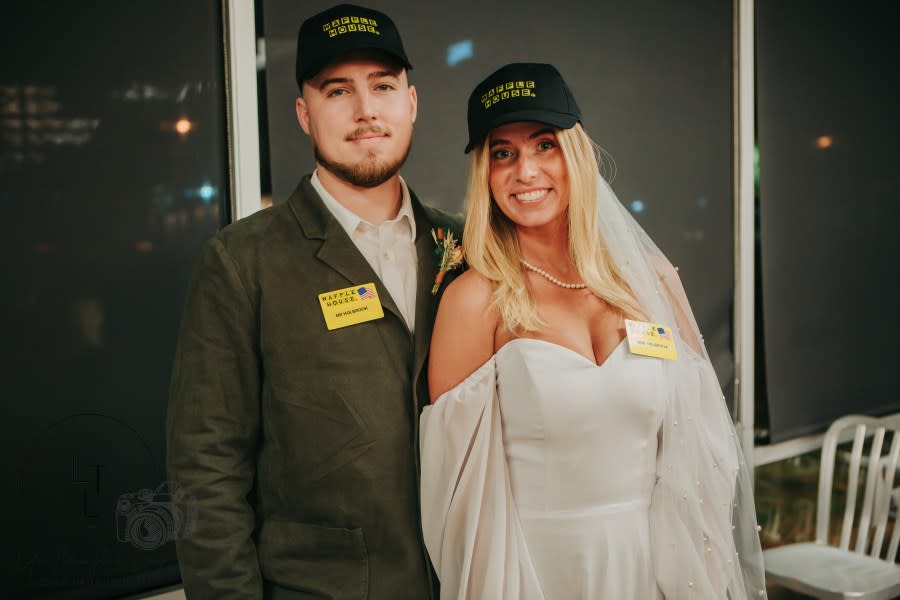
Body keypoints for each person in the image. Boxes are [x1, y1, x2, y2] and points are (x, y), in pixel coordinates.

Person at [420, 63, 767, 599]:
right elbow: (459, 498)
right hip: (538, 571)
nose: (525, 171)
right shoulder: (475, 300)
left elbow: (702, 449)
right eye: (503, 152)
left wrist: (698, 573)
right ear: (484, 173)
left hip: (655, 565)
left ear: (575, 153)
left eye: (544, 145)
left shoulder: (650, 281)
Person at [166, 4, 463, 598]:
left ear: (412, 102)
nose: (365, 110)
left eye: (383, 86)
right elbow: (204, 471)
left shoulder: (465, 246)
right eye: (337, 91)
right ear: (304, 113)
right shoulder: (242, 261)